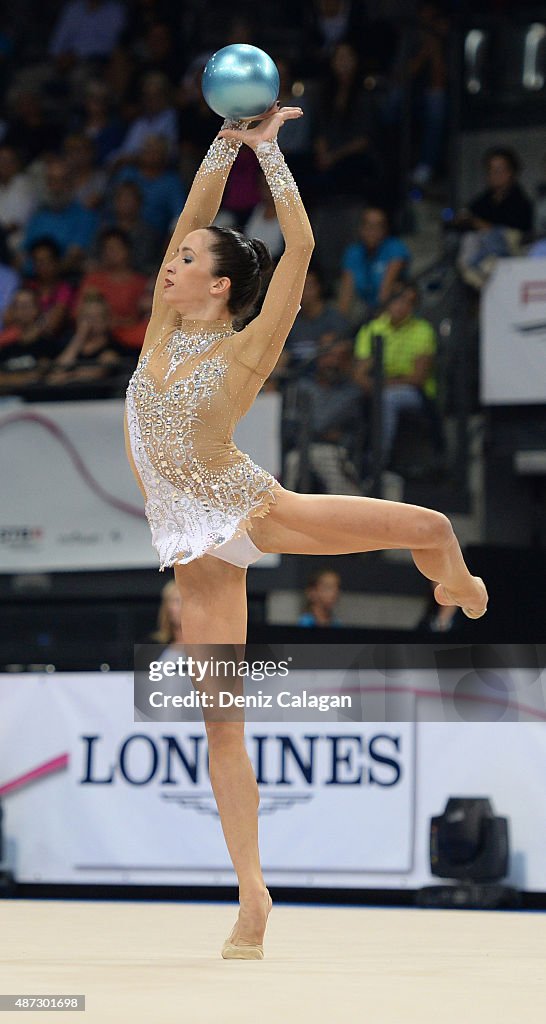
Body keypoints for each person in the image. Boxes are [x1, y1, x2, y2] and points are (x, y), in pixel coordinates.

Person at [123, 103, 488, 962]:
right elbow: (193, 217)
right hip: (194, 548)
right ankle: (253, 895)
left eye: (185, 263)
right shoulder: (161, 329)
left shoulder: (247, 347)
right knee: (222, 727)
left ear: (220, 286)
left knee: (431, 526)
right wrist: (222, 146)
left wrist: (272, 156)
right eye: (172, 258)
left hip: (253, 511)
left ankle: (459, 584)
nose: (170, 264)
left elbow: (302, 252)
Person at [353, 282, 441, 468]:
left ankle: (377, 462)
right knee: (350, 397)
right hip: (376, 388)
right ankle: (350, 457)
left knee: (389, 398)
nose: (402, 306)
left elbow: (418, 379)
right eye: (398, 300)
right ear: (388, 302)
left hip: (417, 395)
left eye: (409, 302)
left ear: (414, 306)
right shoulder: (372, 329)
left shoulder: (423, 330)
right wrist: (371, 381)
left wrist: (378, 383)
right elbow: (359, 375)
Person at [456, 147, 533, 290]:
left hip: (512, 253)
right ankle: (477, 279)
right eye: (490, 170)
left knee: (493, 238)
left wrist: (482, 225)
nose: (495, 175)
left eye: (500, 170)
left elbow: (516, 233)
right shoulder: (483, 200)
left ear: (511, 172)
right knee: (469, 240)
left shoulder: (521, 201)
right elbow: (468, 217)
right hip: (482, 254)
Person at [337, 206, 410, 324]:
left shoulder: (395, 248)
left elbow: (385, 292)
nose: (373, 231)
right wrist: (339, 328)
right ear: (361, 229)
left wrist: (373, 325)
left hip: (393, 313)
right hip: (367, 310)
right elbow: (345, 298)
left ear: (385, 230)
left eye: (378, 226)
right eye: (368, 225)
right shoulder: (353, 253)